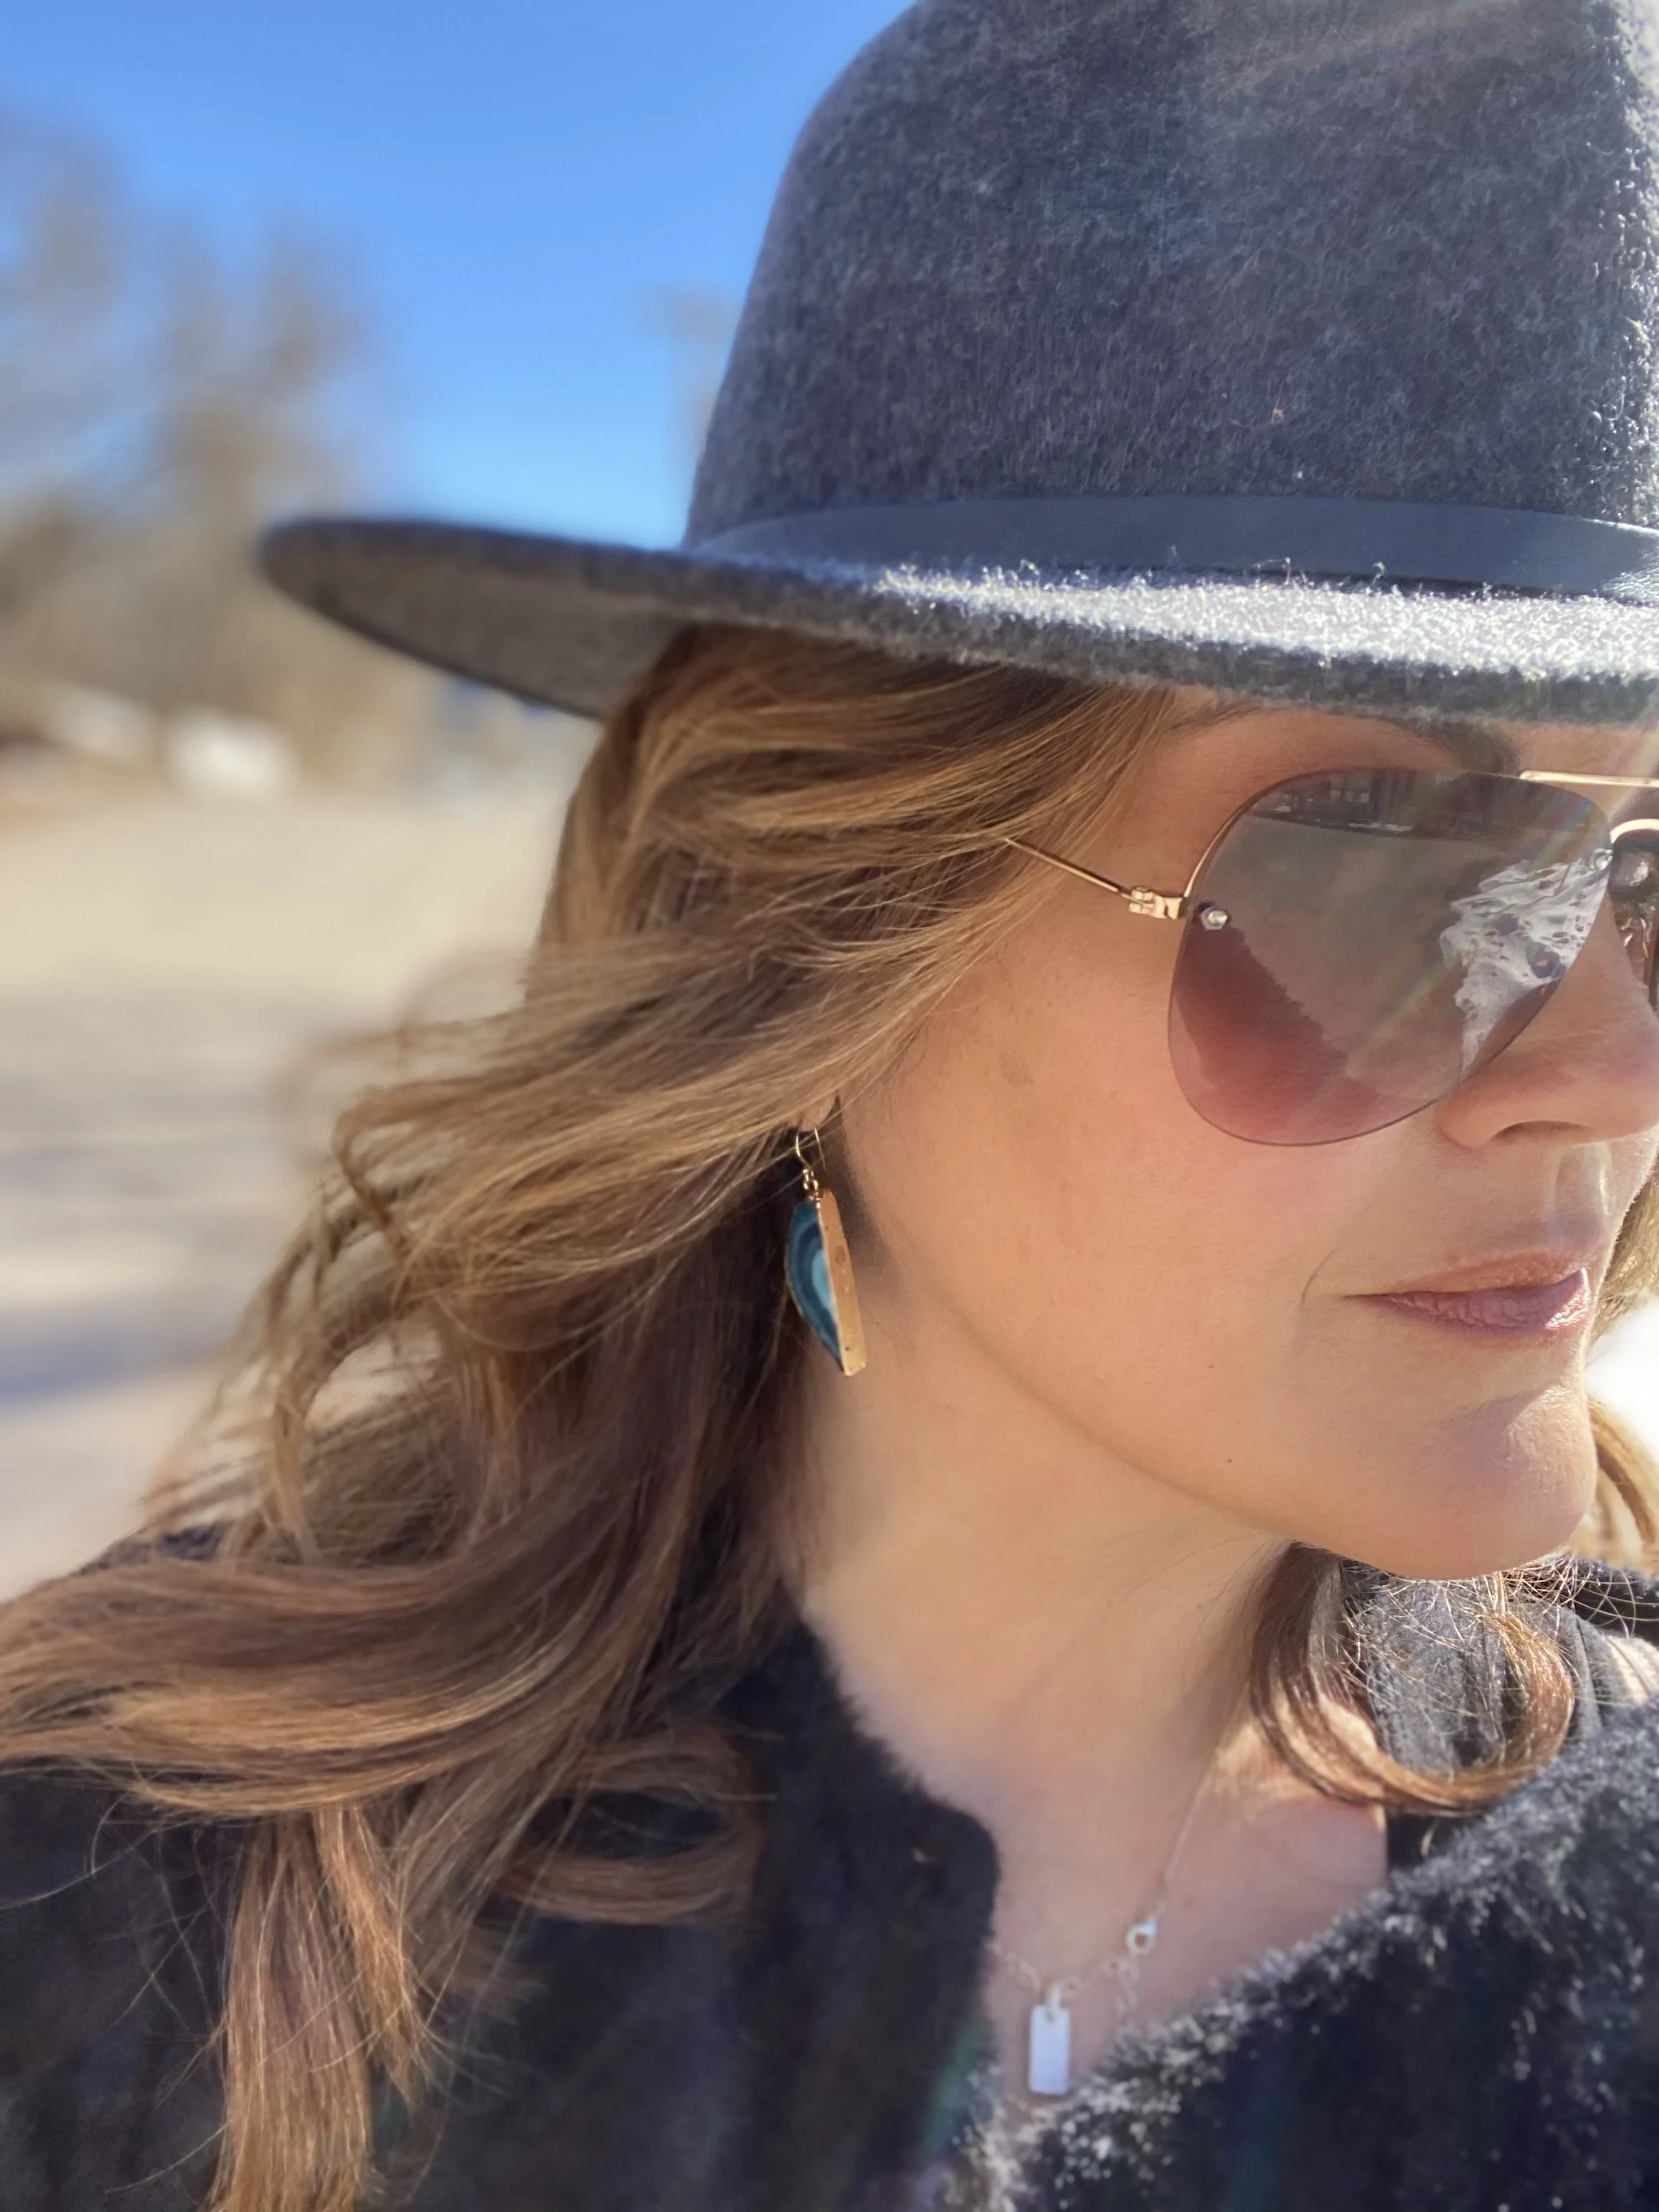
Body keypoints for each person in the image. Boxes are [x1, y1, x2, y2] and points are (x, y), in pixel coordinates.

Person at [9, 0, 1659, 2206]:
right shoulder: (124, 1916)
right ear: (807, 935)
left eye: (1649, 886)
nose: (1614, 1076)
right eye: (1385, 879)